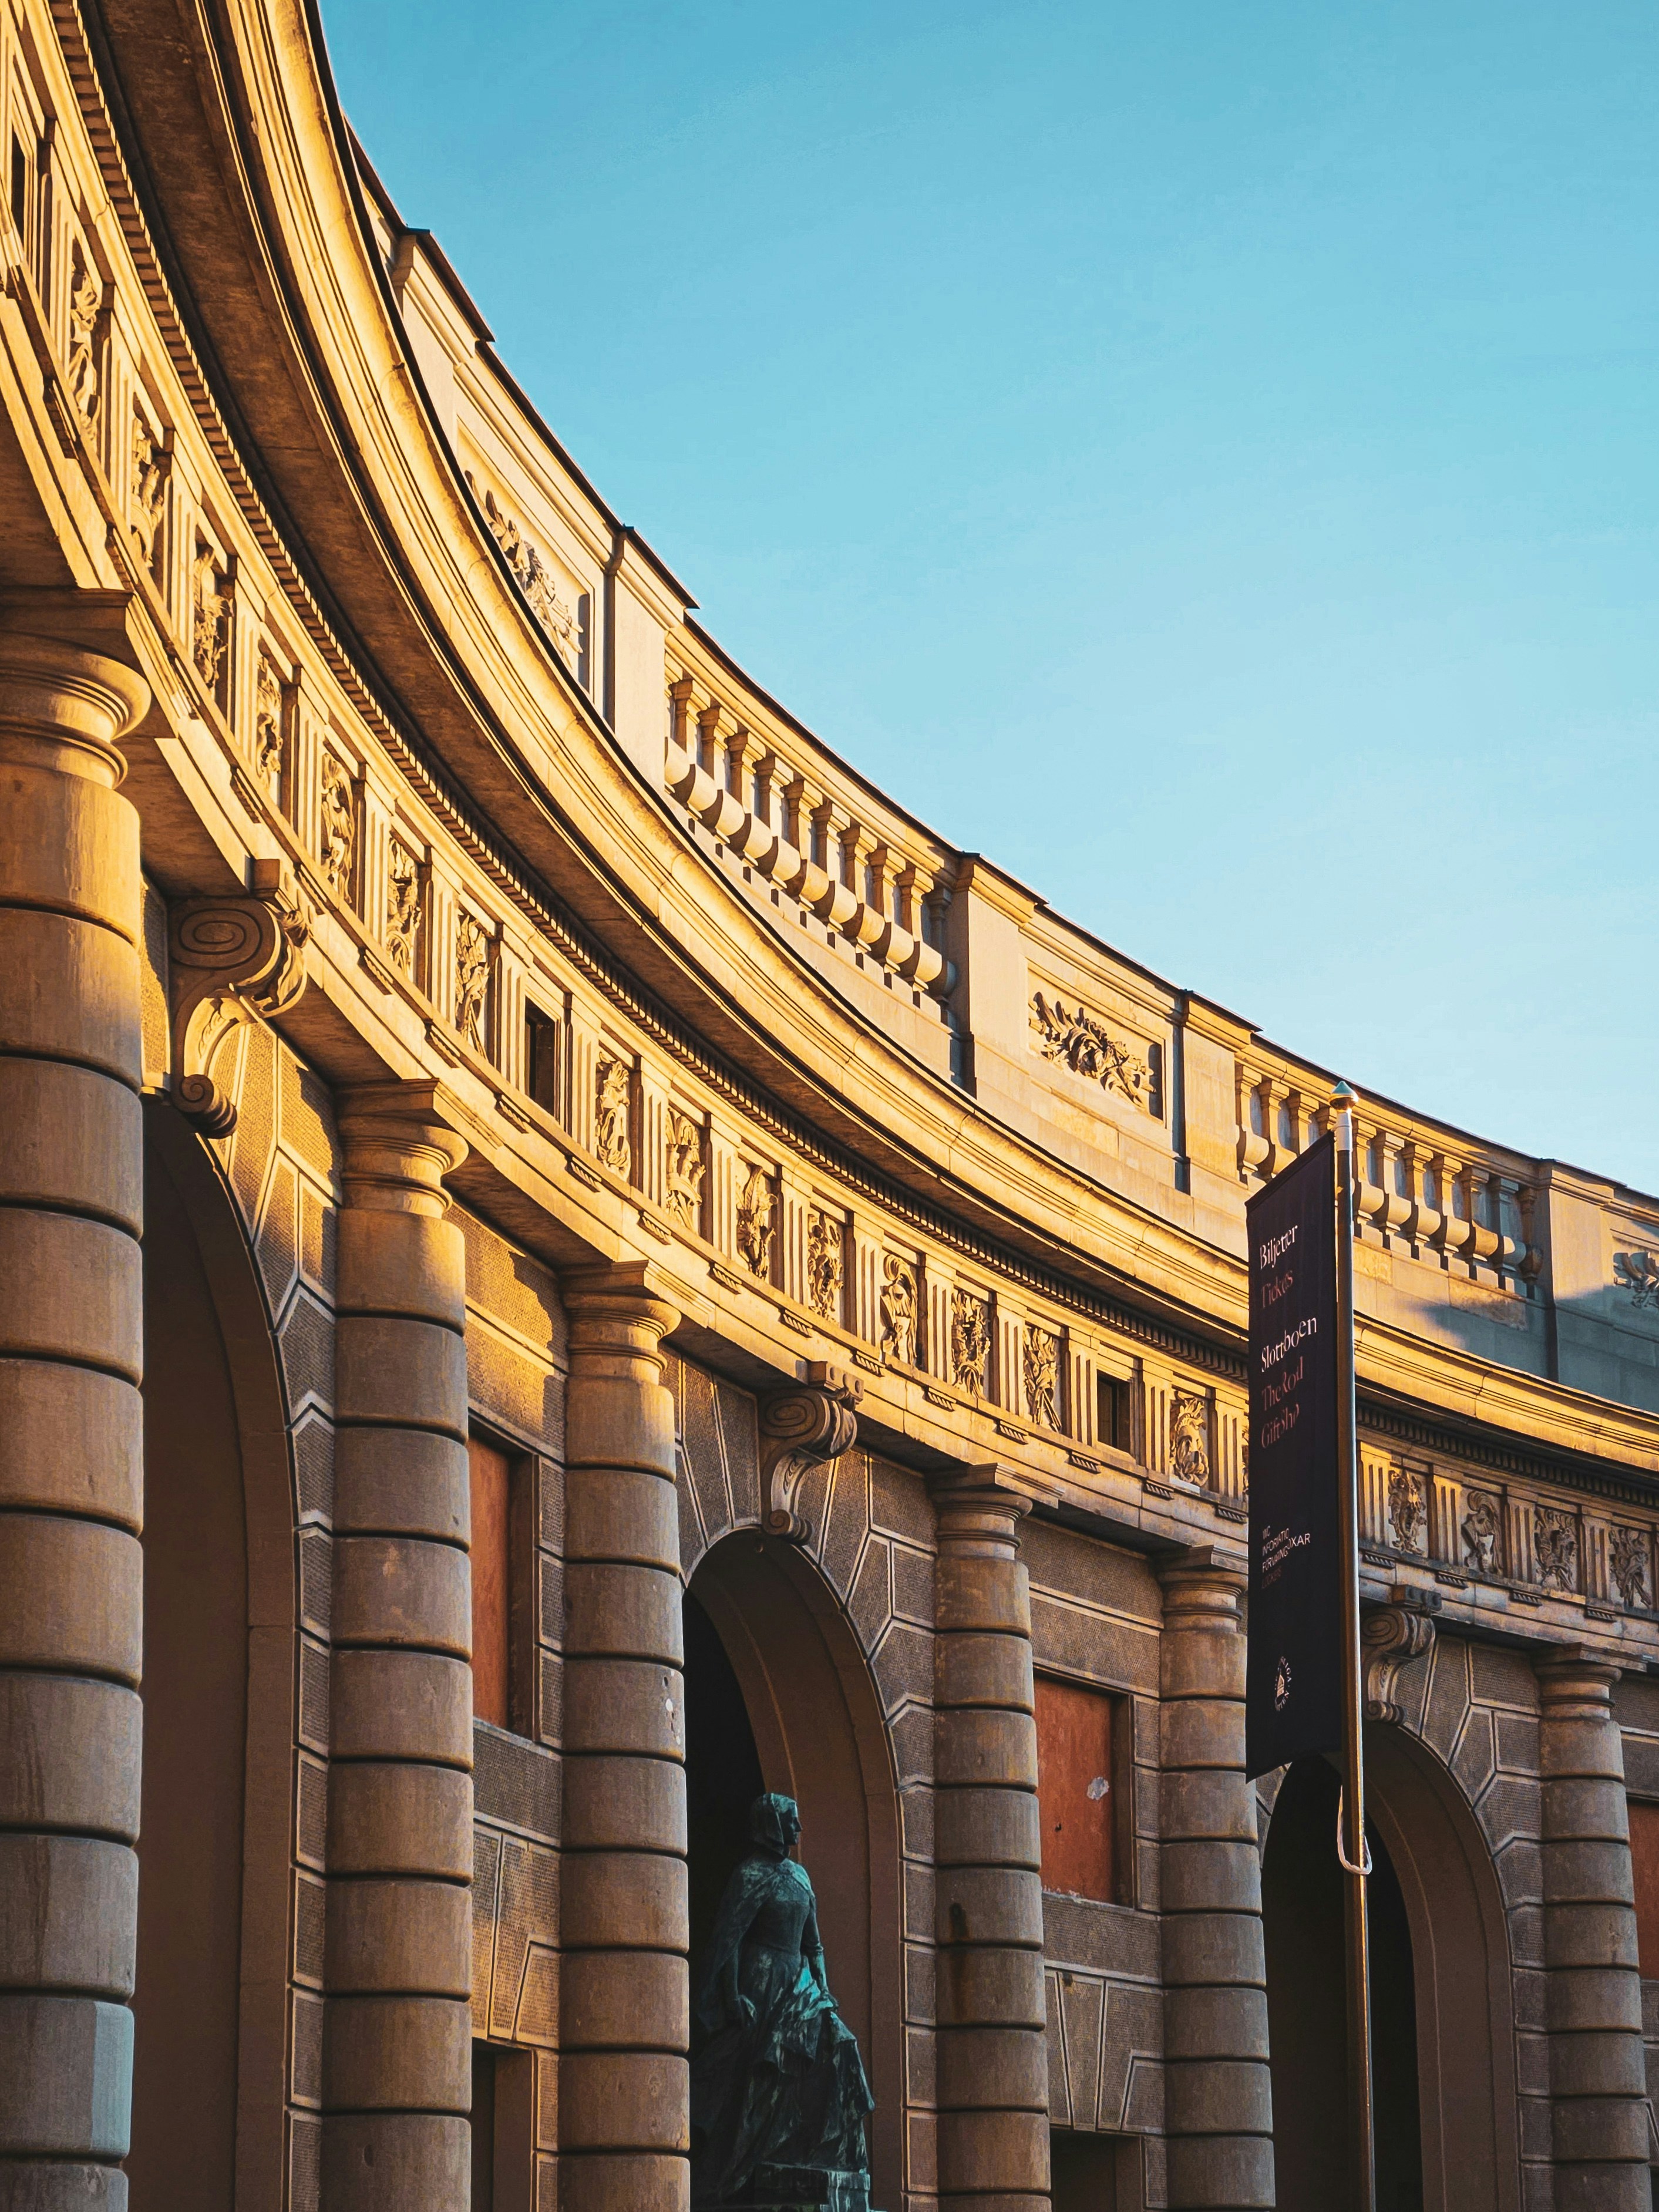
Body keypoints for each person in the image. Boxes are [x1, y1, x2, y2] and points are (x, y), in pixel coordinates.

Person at [691, 1792, 874, 2204]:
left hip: (800, 1982)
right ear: (772, 1823)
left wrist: (823, 1988)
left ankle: (819, 2147)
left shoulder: (801, 1876)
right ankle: (750, 2159)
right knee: (762, 2071)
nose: (798, 1827)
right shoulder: (748, 1875)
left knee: (840, 2044)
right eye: (792, 1819)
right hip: (760, 1980)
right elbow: (730, 1939)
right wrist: (733, 1995)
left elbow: (815, 1945)